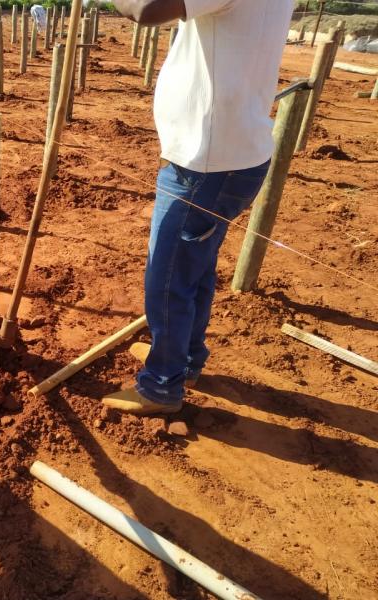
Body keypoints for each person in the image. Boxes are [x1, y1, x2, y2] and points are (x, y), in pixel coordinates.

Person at [102, 0, 294, 415]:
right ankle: (185, 360)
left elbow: (146, 8)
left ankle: (161, 386)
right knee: (195, 266)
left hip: (206, 164)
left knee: (168, 278)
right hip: (234, 155)